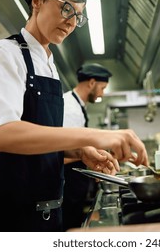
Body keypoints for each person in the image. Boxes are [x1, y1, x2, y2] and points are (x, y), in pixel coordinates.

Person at [0, 0, 148, 232]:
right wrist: (94, 136)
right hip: (4, 207)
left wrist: (80, 151)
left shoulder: (50, 66)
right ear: (36, 2)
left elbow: (38, 144)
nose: (72, 22)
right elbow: (2, 135)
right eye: (67, 8)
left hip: (44, 208)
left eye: (79, 15)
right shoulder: (4, 52)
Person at [62, 63, 112, 230]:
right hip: (67, 183)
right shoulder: (70, 109)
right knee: (69, 225)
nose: (102, 93)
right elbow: (60, 153)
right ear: (91, 83)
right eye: (102, 88)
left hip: (75, 183)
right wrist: (88, 157)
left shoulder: (78, 105)